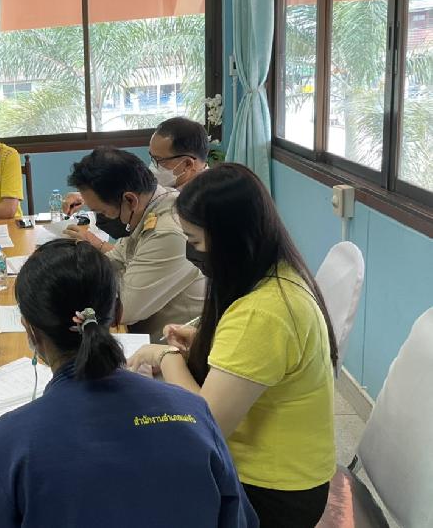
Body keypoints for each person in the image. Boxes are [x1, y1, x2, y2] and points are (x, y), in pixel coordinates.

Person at [0, 239, 257, 528]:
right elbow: (238, 519)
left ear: (30, 331)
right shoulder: (194, 414)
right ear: (116, 312)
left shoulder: (1, 449)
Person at [129, 164, 338, 528]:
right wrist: (206, 344)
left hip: (273, 494)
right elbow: (263, 357)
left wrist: (166, 356)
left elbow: (205, 425)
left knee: (134, 482)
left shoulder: (263, 312)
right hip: (285, 473)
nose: (191, 252)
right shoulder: (278, 275)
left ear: (232, 240)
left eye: (195, 241)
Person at [64, 146, 204, 340]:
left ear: (130, 200)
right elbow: (113, 261)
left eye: (103, 212)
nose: (103, 218)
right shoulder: (145, 209)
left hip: (172, 345)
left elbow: (122, 310)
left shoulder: (168, 233)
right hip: (144, 332)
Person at [63, 117, 208, 214]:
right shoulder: (172, 183)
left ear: (187, 164)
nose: (153, 166)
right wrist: (89, 195)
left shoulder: (202, 202)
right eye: (152, 157)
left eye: (159, 160)